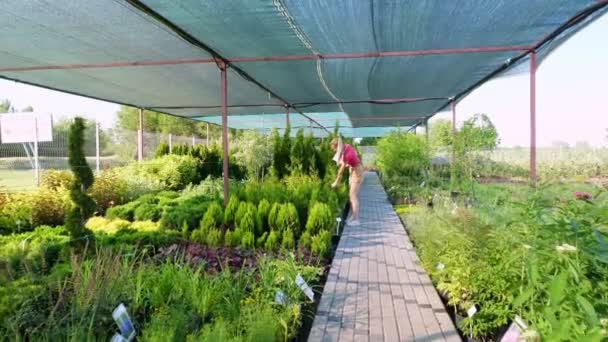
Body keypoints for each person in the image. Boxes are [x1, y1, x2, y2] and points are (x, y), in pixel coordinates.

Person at [330, 138, 364, 226]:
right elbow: (354, 155)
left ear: (338, 147)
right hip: (353, 169)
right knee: (351, 196)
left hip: (357, 171)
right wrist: (348, 163)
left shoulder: (347, 155)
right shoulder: (347, 146)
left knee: (353, 196)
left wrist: (336, 182)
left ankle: (356, 219)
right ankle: (353, 216)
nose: (334, 151)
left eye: (334, 149)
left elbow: (340, 172)